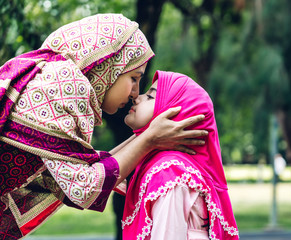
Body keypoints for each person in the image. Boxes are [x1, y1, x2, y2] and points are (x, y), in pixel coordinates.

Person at [0, 14, 207, 239]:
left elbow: (79, 168)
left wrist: (148, 136)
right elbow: (84, 187)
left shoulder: (53, 74)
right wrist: (149, 139)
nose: (135, 94)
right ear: (110, 66)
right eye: (134, 78)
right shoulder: (63, 82)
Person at [122, 70, 239, 240]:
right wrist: (148, 136)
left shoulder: (170, 173)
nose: (137, 97)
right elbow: (95, 170)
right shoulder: (161, 166)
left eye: (150, 97)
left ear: (173, 116)